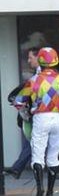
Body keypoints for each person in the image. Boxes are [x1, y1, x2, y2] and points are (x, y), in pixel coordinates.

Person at [13, 47, 59, 196]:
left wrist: (29, 110)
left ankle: (40, 191)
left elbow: (18, 101)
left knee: (38, 156)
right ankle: (50, 194)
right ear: (56, 61)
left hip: (41, 118)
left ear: (40, 61)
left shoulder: (34, 80)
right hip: (58, 118)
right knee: (53, 156)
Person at [3, 47, 40, 179]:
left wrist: (20, 103)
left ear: (38, 57)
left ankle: (18, 168)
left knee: (33, 142)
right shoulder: (39, 75)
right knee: (31, 142)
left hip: (38, 115)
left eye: (31, 57)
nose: (29, 61)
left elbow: (22, 98)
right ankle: (17, 168)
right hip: (39, 114)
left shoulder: (38, 78)